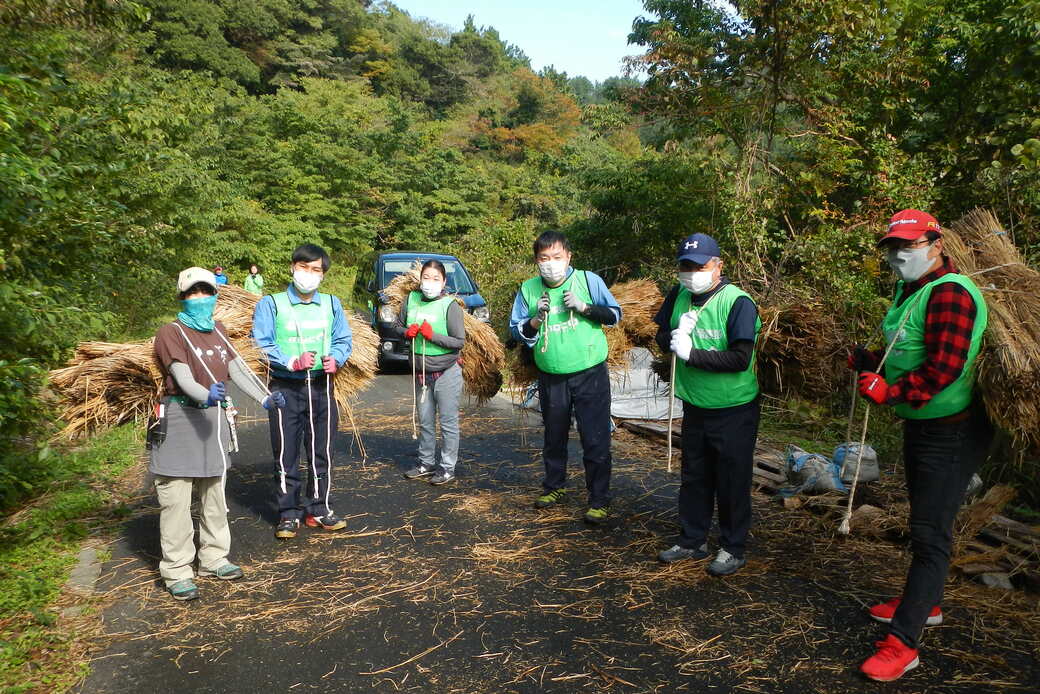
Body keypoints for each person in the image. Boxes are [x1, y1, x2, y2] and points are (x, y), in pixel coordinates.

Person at [850, 209, 991, 682]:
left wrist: (891, 391)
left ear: (935, 244)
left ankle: (903, 643)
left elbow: (945, 366)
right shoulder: (911, 290)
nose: (898, 254)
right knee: (924, 520)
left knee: (931, 536)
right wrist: (868, 362)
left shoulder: (951, 293)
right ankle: (926, 603)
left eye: (908, 246)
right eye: (893, 246)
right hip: (924, 424)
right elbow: (906, 351)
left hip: (950, 430)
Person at [150, 267, 286, 600]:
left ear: (215, 295)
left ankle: (213, 558)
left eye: (206, 292)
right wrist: (203, 394)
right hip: (181, 419)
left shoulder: (220, 330)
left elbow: (237, 368)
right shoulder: (171, 332)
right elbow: (181, 376)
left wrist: (265, 398)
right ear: (183, 297)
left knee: (214, 495)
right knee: (177, 501)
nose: (200, 298)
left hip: (214, 422)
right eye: (193, 293)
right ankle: (177, 570)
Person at [651, 233, 761, 577]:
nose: (692, 272)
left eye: (699, 266)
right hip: (695, 403)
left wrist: (691, 353)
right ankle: (692, 539)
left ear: (718, 266)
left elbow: (741, 358)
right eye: (685, 266)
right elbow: (658, 333)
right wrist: (672, 338)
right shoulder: (679, 295)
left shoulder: (737, 302)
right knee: (695, 476)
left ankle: (733, 547)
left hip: (734, 408)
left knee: (731, 479)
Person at [509, 231, 622, 524]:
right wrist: (536, 319)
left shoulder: (588, 281)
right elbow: (516, 330)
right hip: (551, 375)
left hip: (589, 372)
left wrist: (584, 307)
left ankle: (599, 499)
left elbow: (614, 315)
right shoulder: (528, 290)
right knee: (553, 435)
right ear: (536, 261)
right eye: (544, 258)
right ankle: (554, 486)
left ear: (569, 256)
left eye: (557, 257)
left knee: (595, 438)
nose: (551, 264)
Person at [251, 244, 353, 539]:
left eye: (316, 270)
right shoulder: (271, 304)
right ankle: (288, 512)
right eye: (304, 267)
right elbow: (261, 344)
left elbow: (343, 339)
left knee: (323, 451)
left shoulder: (332, 304)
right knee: (286, 452)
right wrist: (289, 362)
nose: (309, 274)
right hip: (286, 388)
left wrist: (337, 357)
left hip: (322, 386)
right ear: (292, 267)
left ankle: (319, 508)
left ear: (323, 275)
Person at [392, 260, 466, 485]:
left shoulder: (450, 305)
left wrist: (432, 335)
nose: (430, 282)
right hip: (421, 373)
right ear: (420, 278)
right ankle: (426, 463)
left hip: (446, 372)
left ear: (443, 282)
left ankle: (447, 467)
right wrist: (407, 332)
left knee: (447, 422)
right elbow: (397, 325)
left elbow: (459, 341)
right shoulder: (411, 299)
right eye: (426, 277)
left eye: (436, 278)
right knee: (424, 420)